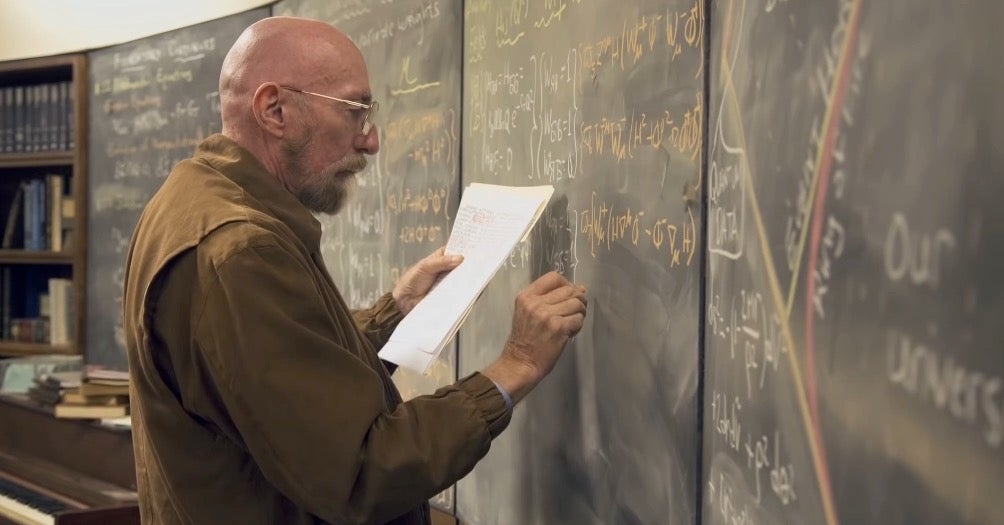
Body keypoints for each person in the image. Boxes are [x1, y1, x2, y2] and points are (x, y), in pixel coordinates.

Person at [122, 16, 587, 525]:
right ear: (274, 110)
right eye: (355, 112)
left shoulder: (194, 198)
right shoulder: (240, 251)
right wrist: (515, 365)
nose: (371, 142)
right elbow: (361, 470)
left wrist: (395, 311)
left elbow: (282, 379)